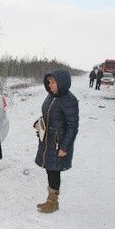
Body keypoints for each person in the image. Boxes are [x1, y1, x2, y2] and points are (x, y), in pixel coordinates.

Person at [34, 70, 79, 213]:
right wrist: (37, 123)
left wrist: (65, 147)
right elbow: (46, 115)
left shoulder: (69, 100)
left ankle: (53, 202)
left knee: (54, 171)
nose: (50, 85)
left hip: (59, 142)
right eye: (49, 82)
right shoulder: (51, 96)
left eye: (53, 82)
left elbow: (73, 126)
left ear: (62, 84)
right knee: (50, 169)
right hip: (48, 140)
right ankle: (51, 201)